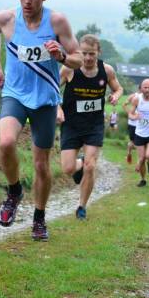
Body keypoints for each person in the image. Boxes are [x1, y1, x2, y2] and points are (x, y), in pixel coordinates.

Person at [0, 0, 82, 241]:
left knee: (42, 165)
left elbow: (78, 59)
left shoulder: (57, 22)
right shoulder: (6, 18)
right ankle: (14, 191)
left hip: (45, 99)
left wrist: (62, 56)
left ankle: (39, 218)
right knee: (5, 143)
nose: (27, 1)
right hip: (15, 94)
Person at [57, 34, 122, 220]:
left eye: (92, 54)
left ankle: (82, 206)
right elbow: (53, 89)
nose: (87, 58)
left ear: (98, 53)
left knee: (91, 166)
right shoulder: (68, 70)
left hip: (94, 125)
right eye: (84, 53)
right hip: (71, 125)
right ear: (78, 52)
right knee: (68, 169)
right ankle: (79, 165)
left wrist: (116, 96)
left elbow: (118, 88)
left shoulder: (106, 71)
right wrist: (58, 109)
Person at [122, 83, 142, 164]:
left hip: (141, 123)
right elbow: (124, 105)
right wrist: (130, 113)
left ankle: (130, 154)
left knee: (138, 141)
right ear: (140, 88)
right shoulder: (133, 96)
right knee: (134, 141)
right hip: (133, 123)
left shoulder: (146, 98)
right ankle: (130, 154)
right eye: (144, 88)